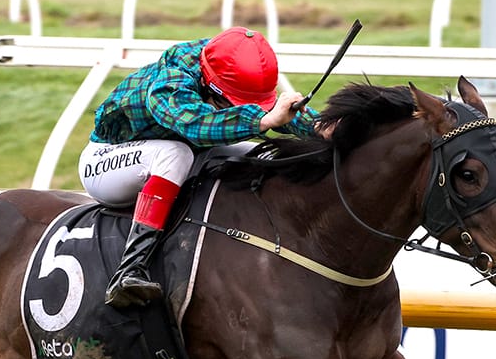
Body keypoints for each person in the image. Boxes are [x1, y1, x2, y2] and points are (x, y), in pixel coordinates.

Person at [79, 26, 320, 308]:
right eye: (233, 103)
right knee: (175, 154)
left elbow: (274, 111)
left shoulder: (228, 67)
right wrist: (263, 121)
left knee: (259, 154)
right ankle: (130, 270)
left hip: (180, 154)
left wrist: (319, 127)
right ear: (211, 86)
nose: (241, 108)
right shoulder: (170, 82)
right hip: (105, 162)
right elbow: (195, 126)